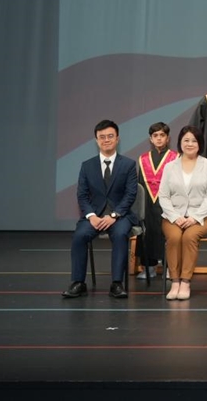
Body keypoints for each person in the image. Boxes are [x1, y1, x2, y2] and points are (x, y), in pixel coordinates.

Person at [63, 120, 139, 299]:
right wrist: (91, 216)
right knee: (80, 236)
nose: (106, 140)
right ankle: (78, 282)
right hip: (94, 216)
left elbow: (130, 194)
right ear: (96, 140)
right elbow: (82, 195)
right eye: (102, 137)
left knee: (120, 235)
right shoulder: (87, 166)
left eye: (110, 136)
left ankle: (117, 283)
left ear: (117, 139)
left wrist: (114, 215)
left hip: (120, 216)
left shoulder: (128, 165)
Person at [159, 126, 207, 301]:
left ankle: (185, 281)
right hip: (173, 216)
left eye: (194, 140)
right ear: (180, 143)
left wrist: (195, 217)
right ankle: (175, 281)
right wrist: (175, 217)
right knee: (174, 237)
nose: (190, 144)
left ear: (200, 144)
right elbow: (163, 196)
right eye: (186, 140)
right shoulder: (170, 167)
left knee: (189, 237)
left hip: (203, 216)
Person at [136, 122, 177, 280]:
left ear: (168, 138)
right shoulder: (143, 159)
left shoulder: (175, 158)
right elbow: (140, 184)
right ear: (150, 139)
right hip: (148, 203)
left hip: (168, 203)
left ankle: (169, 267)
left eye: (162, 135)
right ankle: (149, 267)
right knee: (148, 233)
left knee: (167, 234)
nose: (159, 138)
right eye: (155, 136)